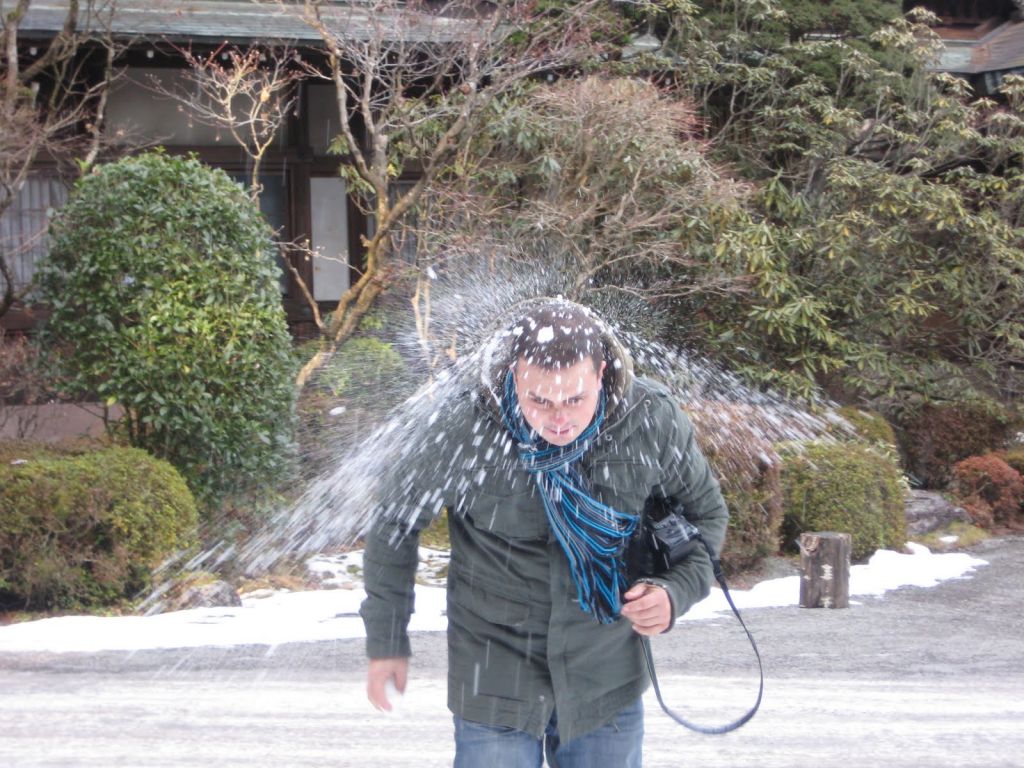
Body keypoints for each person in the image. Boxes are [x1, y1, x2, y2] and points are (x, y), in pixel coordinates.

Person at [360, 298, 729, 767]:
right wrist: (387, 640)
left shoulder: (650, 419)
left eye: (575, 399)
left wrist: (674, 592)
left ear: (600, 374)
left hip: (605, 675)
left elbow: (707, 518)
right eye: (539, 401)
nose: (559, 419)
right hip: (494, 673)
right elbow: (395, 522)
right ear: (515, 376)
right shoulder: (462, 425)